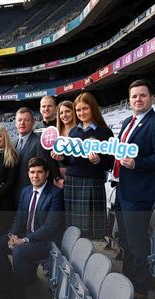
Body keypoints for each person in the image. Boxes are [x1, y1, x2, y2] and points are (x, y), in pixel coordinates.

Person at [113, 79, 155, 299]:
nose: (138, 99)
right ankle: (127, 283)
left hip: (139, 194)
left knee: (137, 245)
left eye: (142, 95)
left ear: (152, 98)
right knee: (126, 242)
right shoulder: (128, 121)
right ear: (129, 100)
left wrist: (138, 163)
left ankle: (139, 292)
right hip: (122, 189)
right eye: (134, 96)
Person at [0, 157, 64, 299]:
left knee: (19, 251)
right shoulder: (25, 191)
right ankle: (8, 285)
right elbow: (20, 216)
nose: (35, 176)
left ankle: (19, 297)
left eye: (39, 172)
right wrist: (12, 235)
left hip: (46, 240)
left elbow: (51, 226)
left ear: (46, 174)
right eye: (32, 172)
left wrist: (24, 239)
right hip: (26, 235)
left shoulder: (55, 194)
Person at [51, 92, 114, 240]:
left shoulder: (104, 132)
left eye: (85, 108)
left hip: (92, 182)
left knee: (89, 232)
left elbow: (110, 162)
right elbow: (69, 160)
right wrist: (62, 158)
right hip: (72, 182)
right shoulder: (73, 132)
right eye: (78, 110)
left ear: (93, 108)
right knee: (71, 228)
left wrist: (98, 161)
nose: (81, 113)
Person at [12, 107, 60, 206]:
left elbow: (45, 170)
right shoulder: (12, 143)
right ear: (15, 123)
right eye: (19, 120)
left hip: (33, 195)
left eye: (26, 120)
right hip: (15, 194)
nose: (22, 123)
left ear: (33, 122)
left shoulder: (39, 142)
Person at [55, 100, 78, 188]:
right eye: (61, 113)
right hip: (58, 180)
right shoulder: (56, 133)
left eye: (67, 111)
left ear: (73, 112)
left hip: (76, 178)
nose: (64, 115)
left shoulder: (81, 132)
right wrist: (57, 178)